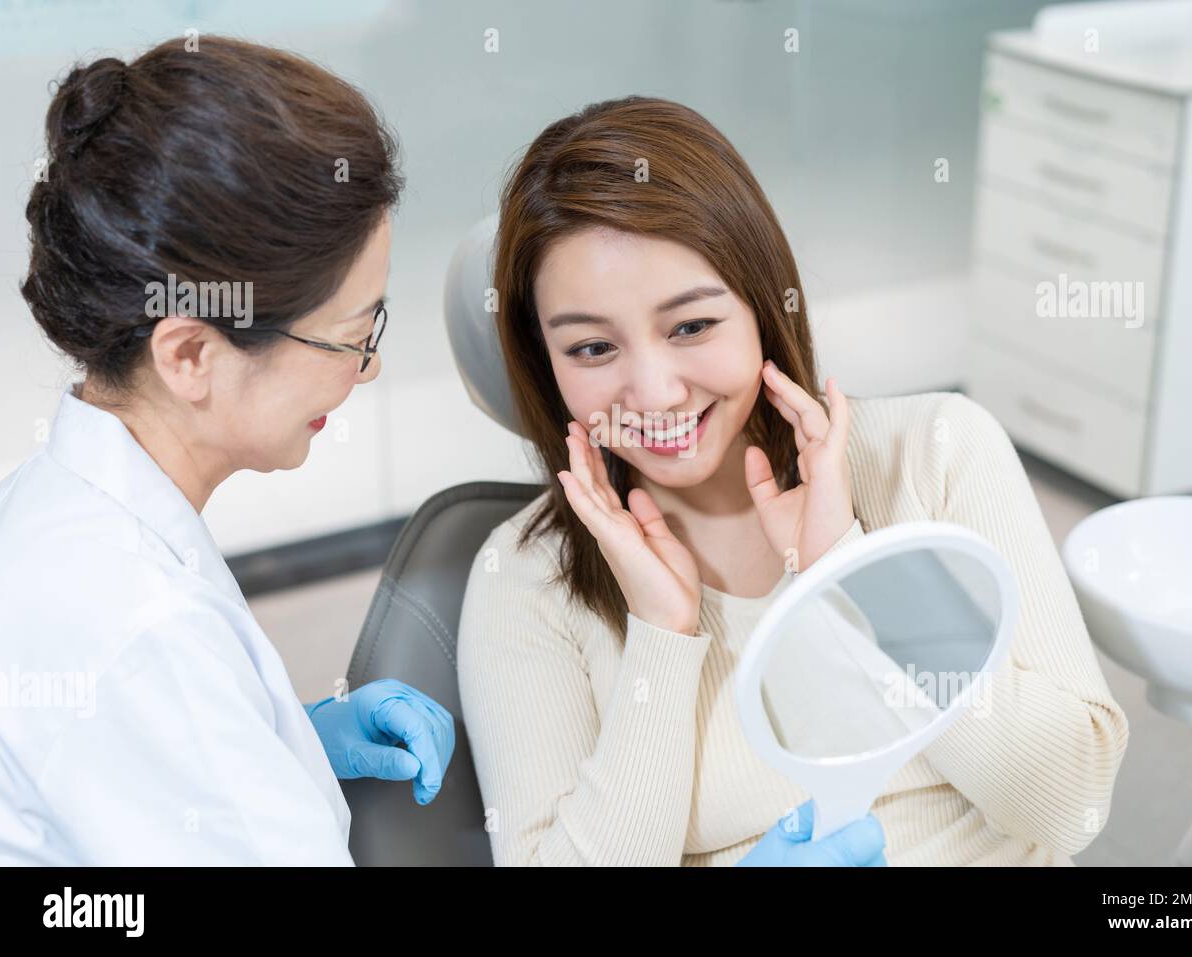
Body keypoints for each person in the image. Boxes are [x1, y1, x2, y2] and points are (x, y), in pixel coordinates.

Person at [457, 96, 1131, 866]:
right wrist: (660, 639)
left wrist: (855, 570)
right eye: (591, 348)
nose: (655, 392)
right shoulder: (524, 578)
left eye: (691, 326)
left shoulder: (938, 449)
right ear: (543, 360)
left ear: (763, 304)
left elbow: (1072, 801)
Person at [0, 36, 452, 865]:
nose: (371, 365)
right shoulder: (140, 629)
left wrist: (285, 743)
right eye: (351, 337)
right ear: (191, 355)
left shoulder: (43, 504)